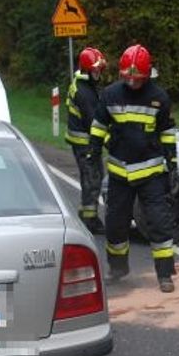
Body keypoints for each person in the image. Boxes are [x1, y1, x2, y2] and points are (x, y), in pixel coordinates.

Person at [90, 44, 178, 293]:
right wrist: (92, 152)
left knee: (159, 223)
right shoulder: (110, 94)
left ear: (147, 74)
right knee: (115, 224)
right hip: (119, 172)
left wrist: (172, 164)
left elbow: (167, 132)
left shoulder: (159, 98)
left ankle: (164, 274)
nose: (131, 83)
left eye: (136, 78)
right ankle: (118, 269)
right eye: (127, 78)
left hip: (151, 172)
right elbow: (99, 125)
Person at [66, 47, 108, 233]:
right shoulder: (84, 92)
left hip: (83, 143)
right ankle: (90, 220)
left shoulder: (84, 84)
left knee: (92, 176)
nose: (98, 73)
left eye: (99, 69)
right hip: (85, 144)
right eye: (95, 70)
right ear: (86, 70)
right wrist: (111, 141)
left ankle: (86, 212)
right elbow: (94, 122)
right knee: (93, 178)